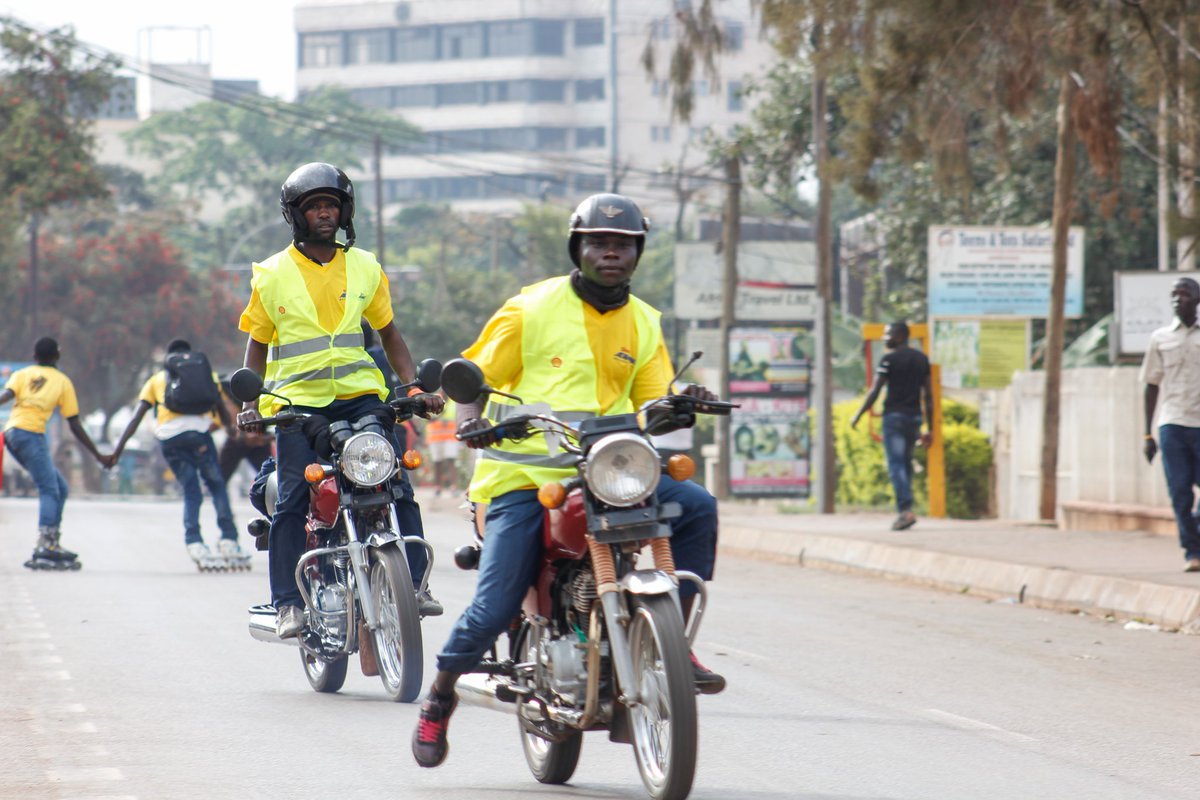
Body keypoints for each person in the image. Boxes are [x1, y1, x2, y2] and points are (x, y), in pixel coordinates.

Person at [412, 193, 725, 770]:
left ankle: (672, 643)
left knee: (698, 505)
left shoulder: (645, 320)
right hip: (524, 476)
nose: (611, 253)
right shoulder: (531, 308)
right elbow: (473, 377)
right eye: (600, 243)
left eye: (623, 245)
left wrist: (682, 401)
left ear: (637, 253)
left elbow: (653, 394)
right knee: (496, 599)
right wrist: (471, 423)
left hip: (609, 472)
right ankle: (439, 696)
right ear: (578, 248)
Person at [235, 162, 444, 639]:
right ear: (297, 216)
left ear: (344, 211)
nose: (324, 213)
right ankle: (288, 603)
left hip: (361, 398)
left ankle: (415, 583)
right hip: (297, 405)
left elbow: (390, 333)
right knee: (290, 500)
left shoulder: (366, 266)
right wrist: (252, 401)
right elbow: (258, 344)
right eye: (314, 207)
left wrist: (413, 388)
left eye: (331, 205)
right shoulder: (271, 274)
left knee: (396, 484)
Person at [111, 339, 249, 570]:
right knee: (216, 486)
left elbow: (136, 417)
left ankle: (194, 541)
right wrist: (231, 431)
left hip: (169, 439)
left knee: (191, 491)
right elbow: (220, 407)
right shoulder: (206, 374)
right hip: (199, 436)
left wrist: (117, 450)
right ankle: (228, 539)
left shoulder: (156, 380)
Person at [0, 337, 113, 570]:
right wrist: (97, 455)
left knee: (59, 487)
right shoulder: (62, 381)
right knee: (49, 488)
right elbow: (74, 424)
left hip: (13, 433)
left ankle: (53, 541)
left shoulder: (22, 374)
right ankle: (45, 544)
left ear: (34, 356)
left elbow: (5, 397)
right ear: (57, 356)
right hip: (31, 434)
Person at [1140, 277, 1200, 573]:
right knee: (1180, 491)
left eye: (1185, 294)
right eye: (1174, 295)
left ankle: (1197, 536)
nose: (1178, 300)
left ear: (1197, 300)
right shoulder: (1161, 338)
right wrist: (1147, 433)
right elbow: (1151, 385)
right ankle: (1192, 550)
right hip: (1173, 423)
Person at [850, 321, 933, 531]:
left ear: (901, 336)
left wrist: (858, 414)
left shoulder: (889, 360)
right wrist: (929, 427)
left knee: (896, 465)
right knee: (905, 464)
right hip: (914, 418)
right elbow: (929, 395)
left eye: (889, 335)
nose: (886, 338)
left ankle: (905, 511)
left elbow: (875, 391)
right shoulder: (921, 359)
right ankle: (907, 508)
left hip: (894, 419)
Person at [217, 375, 272, 485]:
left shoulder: (219, 389)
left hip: (246, 433)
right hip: (252, 433)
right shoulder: (224, 387)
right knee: (268, 476)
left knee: (220, 480)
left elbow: (230, 412)